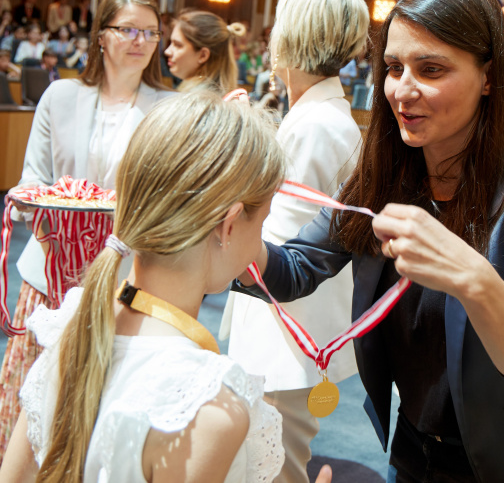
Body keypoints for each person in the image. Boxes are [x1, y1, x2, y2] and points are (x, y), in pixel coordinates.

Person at [234, 0, 504, 482]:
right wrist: (227, 225)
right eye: (393, 68)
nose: (402, 91)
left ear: (489, 76)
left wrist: (475, 280)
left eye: (431, 69)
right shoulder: (385, 176)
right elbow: (294, 268)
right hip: (411, 450)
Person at [0, 91, 333, 483]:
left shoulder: (72, 330)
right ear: (228, 226)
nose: (260, 240)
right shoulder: (208, 407)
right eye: (262, 222)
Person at [0, 0, 173, 462]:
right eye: (128, 30)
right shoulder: (61, 95)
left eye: (151, 32)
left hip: (123, 278)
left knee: (94, 406)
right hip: (50, 269)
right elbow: (33, 179)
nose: (140, 41)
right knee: (30, 401)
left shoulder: (166, 108)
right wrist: (44, 205)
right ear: (101, 35)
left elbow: (164, 196)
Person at [225, 0, 369, 483]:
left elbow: (276, 249)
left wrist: (233, 154)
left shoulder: (316, 125)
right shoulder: (316, 115)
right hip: (286, 325)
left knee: (272, 468)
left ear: (290, 36)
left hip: (286, 331)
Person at [164, 9, 246, 93]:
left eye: (178, 45)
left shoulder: (197, 98)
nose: (167, 51)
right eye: (171, 43)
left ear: (203, 55)